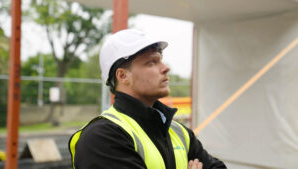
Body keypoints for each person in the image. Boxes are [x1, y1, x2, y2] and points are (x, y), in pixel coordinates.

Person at [69, 29, 227, 169]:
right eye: (151, 62)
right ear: (123, 76)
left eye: (160, 60)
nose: (165, 68)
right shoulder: (101, 138)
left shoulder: (178, 132)